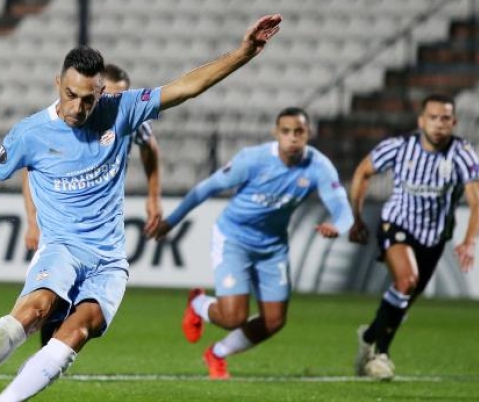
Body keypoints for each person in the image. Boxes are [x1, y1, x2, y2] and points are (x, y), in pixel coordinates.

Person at [0, 14, 282, 402]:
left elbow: (186, 87)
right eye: (71, 95)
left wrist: (244, 52)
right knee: (34, 310)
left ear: (101, 92)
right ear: (58, 84)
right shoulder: (31, 133)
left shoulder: (120, 111)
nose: (78, 108)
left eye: (88, 99)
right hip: (61, 248)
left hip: (109, 261)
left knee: (77, 331)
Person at [149, 107, 353, 379]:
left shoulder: (319, 167)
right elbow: (207, 187)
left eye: (299, 132)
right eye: (286, 131)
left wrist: (337, 227)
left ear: (309, 133)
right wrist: (172, 221)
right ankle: (198, 303)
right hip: (234, 239)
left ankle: (217, 353)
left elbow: (342, 209)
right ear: (276, 133)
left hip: (273, 248)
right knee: (233, 317)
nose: (293, 138)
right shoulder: (253, 159)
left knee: (274, 321)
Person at [22, 63, 164, 346]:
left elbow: (150, 148)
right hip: (63, 220)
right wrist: (32, 219)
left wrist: (153, 197)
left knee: (84, 306)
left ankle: (51, 356)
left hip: (99, 223)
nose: (115, 100)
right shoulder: (65, 122)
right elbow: (30, 168)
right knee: (51, 297)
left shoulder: (127, 117)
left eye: (121, 94)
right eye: (109, 94)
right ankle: (46, 353)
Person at [348, 93, 479, 381]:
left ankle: (369, 336)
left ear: (454, 122)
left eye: (445, 118)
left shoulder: (462, 154)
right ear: (421, 121)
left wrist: (470, 241)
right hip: (396, 224)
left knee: (404, 300)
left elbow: (478, 200)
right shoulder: (399, 147)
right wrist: (356, 217)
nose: (439, 124)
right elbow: (363, 172)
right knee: (406, 281)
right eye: (433, 117)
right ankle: (381, 355)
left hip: (434, 238)